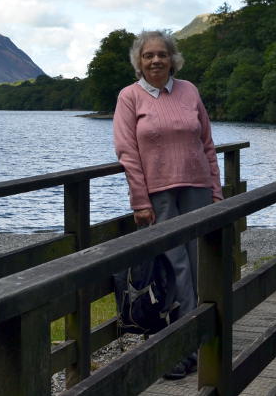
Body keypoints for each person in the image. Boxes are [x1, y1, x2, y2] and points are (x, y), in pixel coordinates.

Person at [112, 30, 222, 380]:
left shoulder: (189, 90)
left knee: (201, 263)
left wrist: (216, 191)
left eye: (162, 54)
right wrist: (140, 200)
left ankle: (200, 341)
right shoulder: (129, 97)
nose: (156, 60)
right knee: (176, 269)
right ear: (139, 62)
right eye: (149, 56)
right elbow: (127, 152)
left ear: (173, 59)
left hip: (197, 187)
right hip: (159, 195)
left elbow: (207, 143)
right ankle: (185, 346)